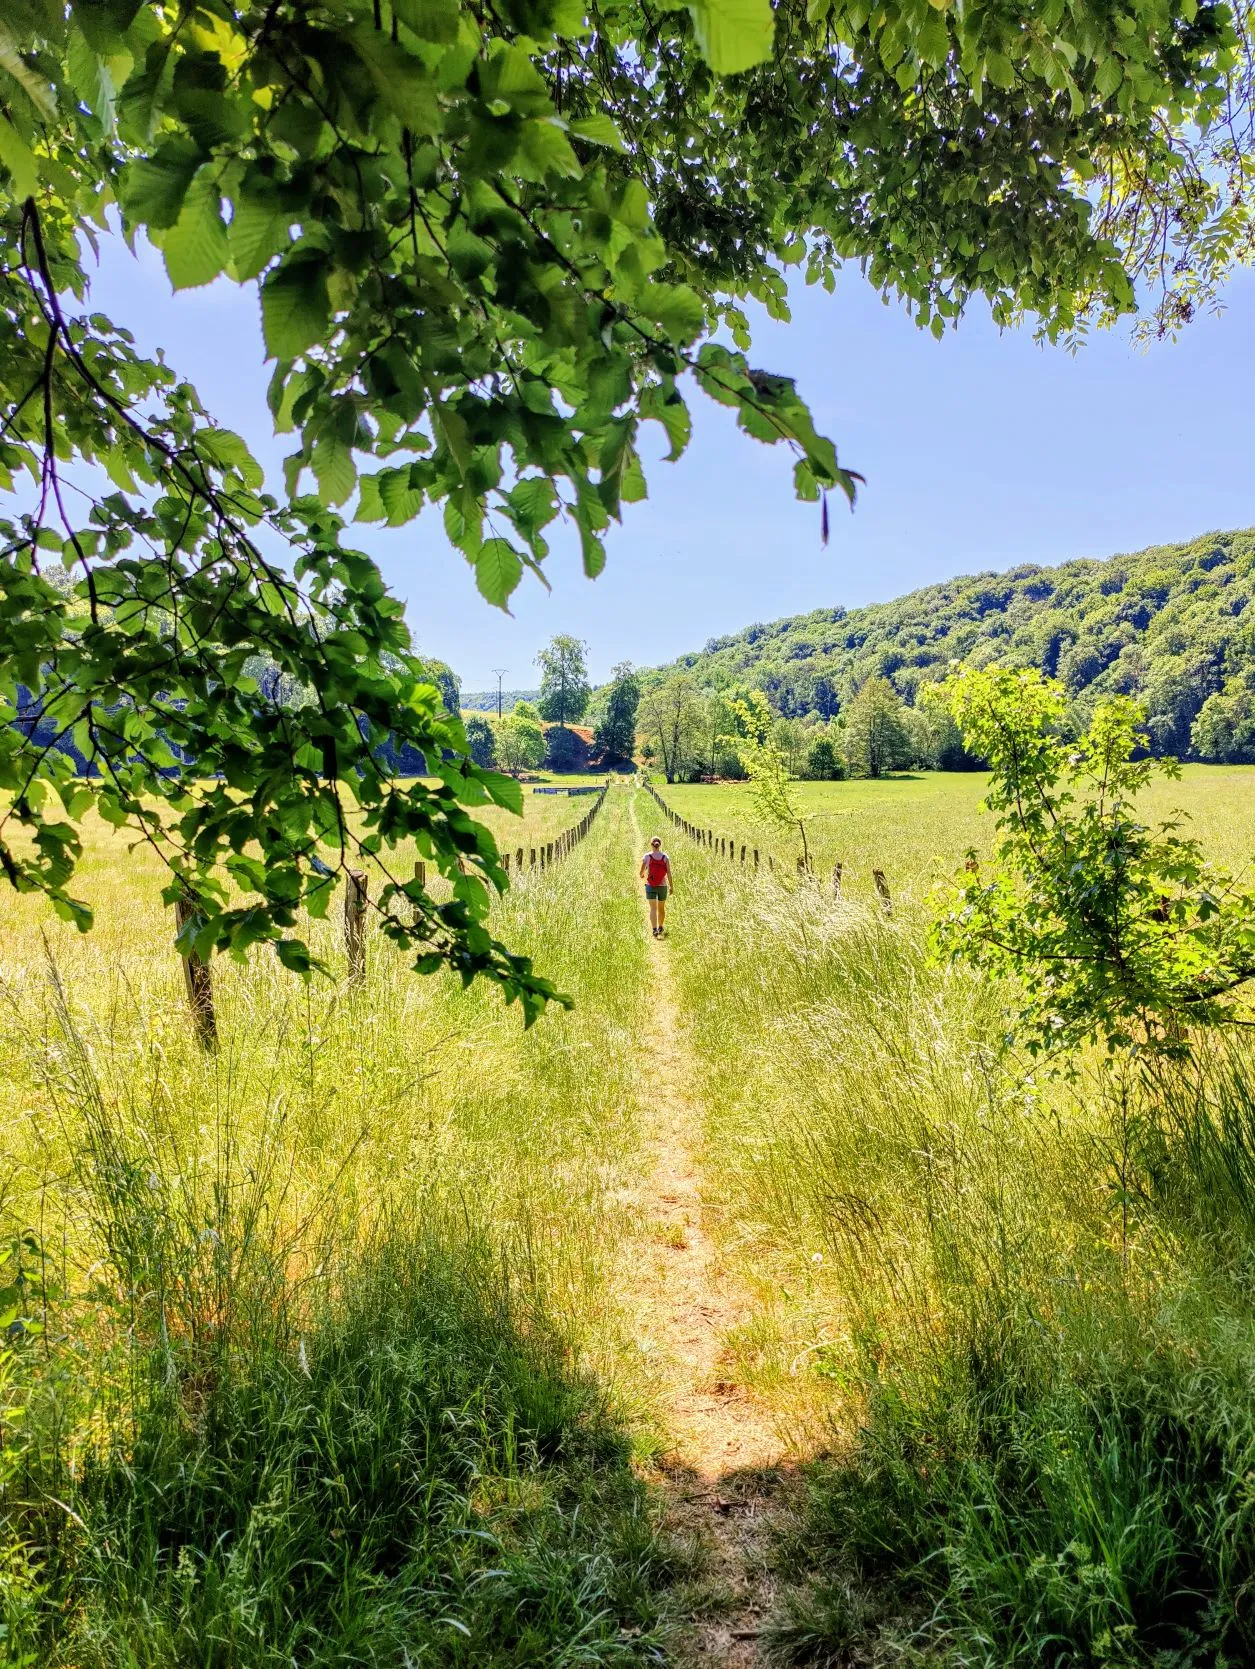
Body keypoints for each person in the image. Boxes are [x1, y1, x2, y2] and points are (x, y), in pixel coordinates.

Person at [640, 836, 674, 937]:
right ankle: (660, 927)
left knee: (653, 908)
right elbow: (669, 873)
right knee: (661, 908)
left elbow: (641, 871)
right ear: (660, 844)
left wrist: (642, 875)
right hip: (662, 886)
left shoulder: (647, 856)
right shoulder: (665, 857)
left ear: (651, 845)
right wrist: (671, 886)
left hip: (650, 885)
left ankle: (654, 929)